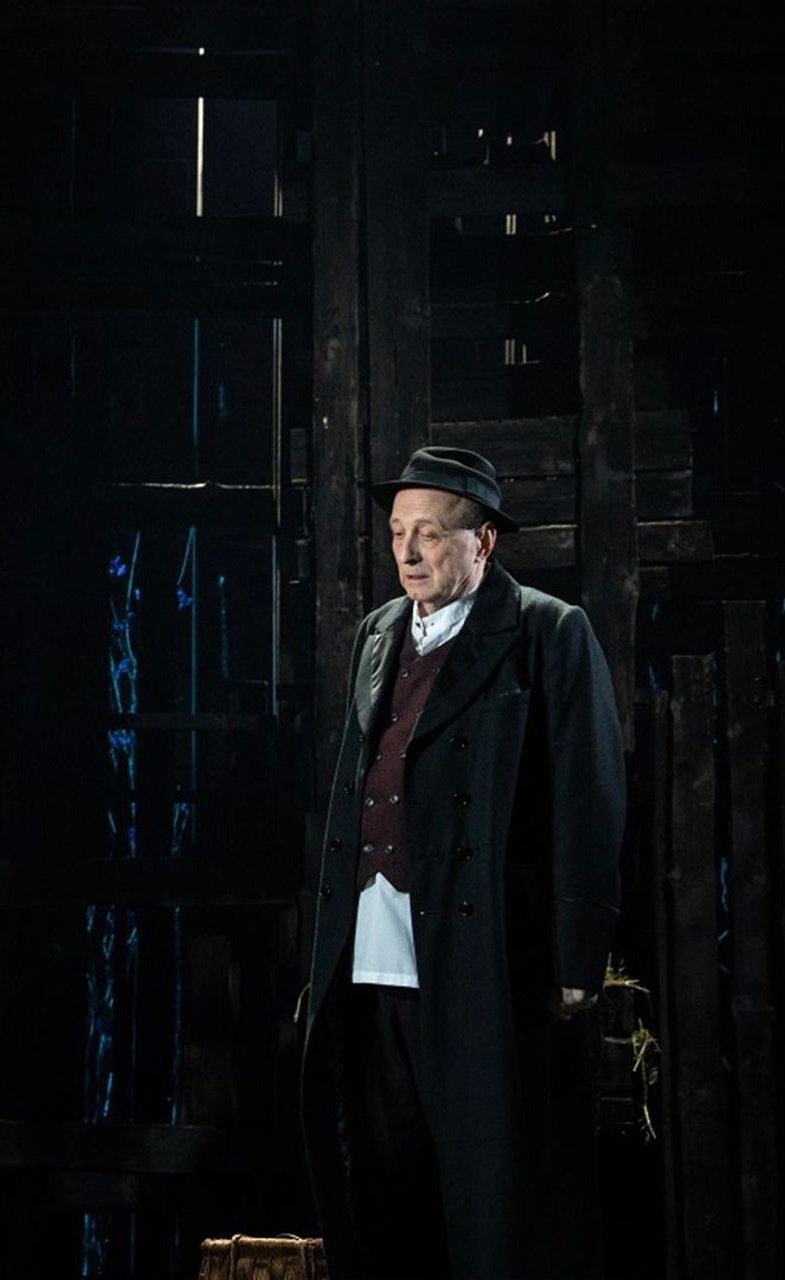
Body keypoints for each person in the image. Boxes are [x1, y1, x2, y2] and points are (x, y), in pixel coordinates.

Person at [301, 446, 625, 1280]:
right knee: (386, 1185)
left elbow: (587, 794)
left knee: (489, 1195)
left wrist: (575, 958)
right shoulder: (379, 633)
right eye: (397, 533)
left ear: (483, 541)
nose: (408, 553)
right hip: (375, 950)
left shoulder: (547, 632)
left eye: (431, 535)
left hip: (481, 956)